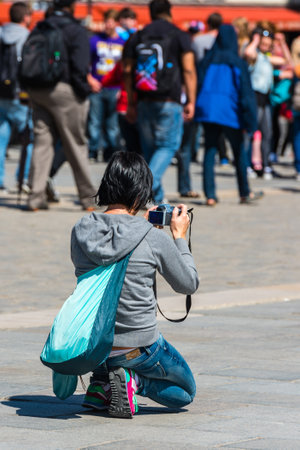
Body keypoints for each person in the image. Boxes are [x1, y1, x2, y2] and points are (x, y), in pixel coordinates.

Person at [71, 151, 199, 418]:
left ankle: (100, 384)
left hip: (95, 345)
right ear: (141, 194)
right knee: (186, 391)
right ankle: (133, 382)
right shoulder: (151, 237)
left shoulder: (81, 230)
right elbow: (188, 284)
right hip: (138, 346)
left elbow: (112, 245)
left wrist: (137, 230)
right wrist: (178, 238)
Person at [123, 0, 197, 205]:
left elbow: (127, 71)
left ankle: (157, 198)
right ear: (169, 12)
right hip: (169, 100)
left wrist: (131, 102)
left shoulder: (137, 37)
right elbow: (189, 70)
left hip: (144, 100)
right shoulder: (179, 35)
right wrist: (191, 100)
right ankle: (141, 187)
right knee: (168, 146)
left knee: (150, 151)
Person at [27, 0, 95, 211]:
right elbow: (80, 66)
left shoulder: (41, 26)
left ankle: (35, 196)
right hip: (65, 90)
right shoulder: (75, 29)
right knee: (75, 143)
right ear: (72, 6)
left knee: (42, 143)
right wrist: (84, 91)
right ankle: (88, 198)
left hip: (38, 90)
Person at [195, 24, 261, 205]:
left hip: (207, 110)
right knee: (239, 152)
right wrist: (251, 122)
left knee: (210, 150)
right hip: (230, 112)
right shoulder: (237, 62)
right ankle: (244, 192)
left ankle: (210, 195)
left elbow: (198, 84)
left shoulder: (207, 60)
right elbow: (246, 95)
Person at [244, 22, 287, 180]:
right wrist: (255, 40)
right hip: (254, 97)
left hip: (265, 98)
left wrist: (281, 43)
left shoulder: (268, 59)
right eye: (263, 44)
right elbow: (249, 52)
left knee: (267, 133)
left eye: (268, 45)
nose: (265, 46)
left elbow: (287, 62)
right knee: (250, 132)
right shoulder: (255, 57)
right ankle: (247, 165)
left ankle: (266, 164)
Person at [0, 2, 32, 194]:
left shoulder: (1, 32)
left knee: (1, 138)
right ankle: (23, 178)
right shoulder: (27, 37)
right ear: (26, 17)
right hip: (19, 93)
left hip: (0, 93)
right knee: (29, 138)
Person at [87, 9, 125, 162]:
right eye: (106, 21)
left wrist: (122, 88)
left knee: (112, 124)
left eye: (110, 21)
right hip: (97, 86)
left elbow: (125, 69)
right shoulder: (95, 40)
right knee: (94, 121)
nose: (107, 25)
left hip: (114, 88)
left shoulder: (123, 42)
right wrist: (90, 80)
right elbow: (84, 63)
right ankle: (93, 150)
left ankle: (110, 151)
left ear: (116, 23)